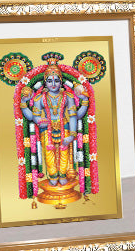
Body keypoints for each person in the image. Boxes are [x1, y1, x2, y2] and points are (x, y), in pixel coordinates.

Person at [20, 59, 89, 187]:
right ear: (45, 82)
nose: (53, 84)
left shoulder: (68, 96)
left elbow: (75, 116)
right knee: (48, 153)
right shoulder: (39, 98)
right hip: (47, 129)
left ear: (61, 82)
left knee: (64, 153)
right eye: (49, 81)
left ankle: (62, 175)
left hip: (65, 126)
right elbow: (33, 116)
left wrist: (72, 135)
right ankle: (52, 176)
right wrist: (24, 104)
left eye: (56, 80)